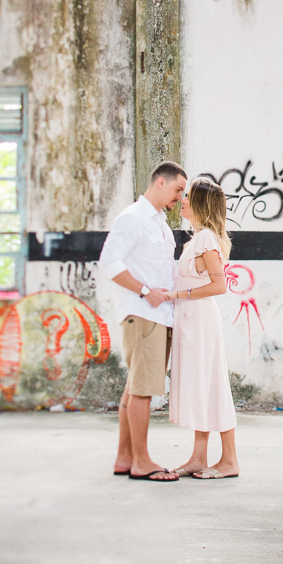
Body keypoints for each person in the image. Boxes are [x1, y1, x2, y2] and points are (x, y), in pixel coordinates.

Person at [98, 161, 187, 482]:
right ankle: (142, 461)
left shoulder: (159, 223)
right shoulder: (133, 218)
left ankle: (125, 458)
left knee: (134, 388)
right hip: (143, 313)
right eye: (178, 189)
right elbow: (109, 262)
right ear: (160, 183)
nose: (180, 197)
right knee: (143, 391)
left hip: (158, 315)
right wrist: (146, 291)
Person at [166, 177, 239, 479]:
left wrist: (179, 295)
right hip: (190, 322)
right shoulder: (198, 239)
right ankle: (198, 457)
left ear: (198, 204)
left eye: (187, 197)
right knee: (200, 387)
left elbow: (219, 285)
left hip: (201, 323)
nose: (181, 200)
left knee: (212, 386)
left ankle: (230, 461)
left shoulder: (207, 238)